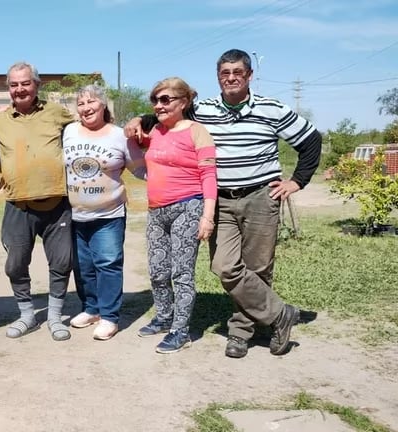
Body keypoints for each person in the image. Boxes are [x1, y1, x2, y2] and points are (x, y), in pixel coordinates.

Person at [125, 49, 322, 358]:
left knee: (258, 268)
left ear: (249, 76)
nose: (231, 78)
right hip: (222, 200)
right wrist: (139, 118)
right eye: (225, 73)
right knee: (224, 266)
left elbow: (311, 140)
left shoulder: (272, 109)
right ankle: (281, 313)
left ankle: (241, 332)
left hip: (261, 196)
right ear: (218, 77)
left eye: (237, 73)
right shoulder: (202, 110)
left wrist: (296, 181)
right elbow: (167, 114)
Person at [0, 62, 75, 341]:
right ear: (8, 88)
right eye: (14, 84)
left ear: (36, 85)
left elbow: (89, 124)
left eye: (25, 83)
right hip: (18, 205)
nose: (20, 89)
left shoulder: (56, 113)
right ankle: (27, 315)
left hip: (57, 203)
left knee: (62, 261)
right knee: (15, 264)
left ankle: (54, 317)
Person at [135, 78, 217, 354]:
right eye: (155, 100)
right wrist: (137, 119)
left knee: (182, 272)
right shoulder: (155, 131)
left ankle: (180, 331)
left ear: (184, 102)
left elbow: (208, 175)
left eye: (166, 99)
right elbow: (127, 133)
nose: (159, 105)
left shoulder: (197, 132)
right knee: (158, 271)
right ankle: (163, 316)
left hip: (188, 206)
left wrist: (208, 216)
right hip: (156, 210)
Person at [62, 84, 146, 341]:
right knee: (83, 266)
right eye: (81, 103)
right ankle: (92, 309)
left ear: (103, 105)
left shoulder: (119, 136)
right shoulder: (69, 132)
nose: (86, 108)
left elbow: (141, 168)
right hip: (76, 214)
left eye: (91, 102)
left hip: (109, 214)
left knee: (108, 264)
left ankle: (109, 317)